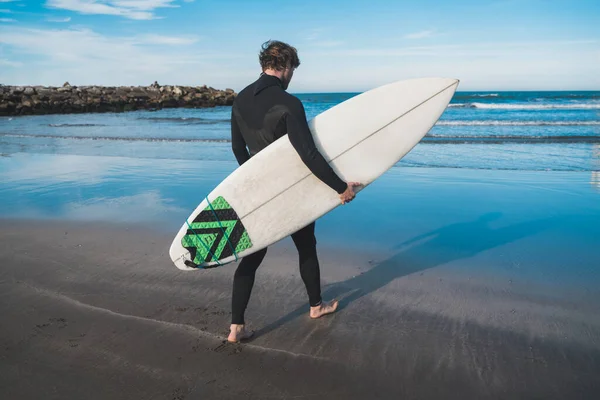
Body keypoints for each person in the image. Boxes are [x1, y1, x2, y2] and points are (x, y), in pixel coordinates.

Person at [228, 40, 360, 343]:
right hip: (290, 191)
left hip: (259, 191)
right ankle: (316, 306)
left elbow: (238, 149)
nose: (291, 77)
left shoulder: (239, 100)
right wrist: (342, 188)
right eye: (292, 70)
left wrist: (252, 180)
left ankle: (236, 327)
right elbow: (308, 155)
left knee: (252, 255)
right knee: (305, 246)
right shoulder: (290, 103)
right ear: (286, 66)